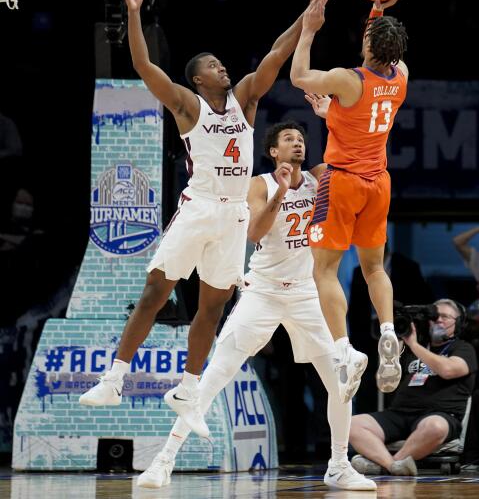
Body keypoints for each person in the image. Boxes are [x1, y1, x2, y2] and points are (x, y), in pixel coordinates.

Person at [79, 0, 331, 438]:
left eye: (221, 63)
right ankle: (114, 377)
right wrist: (134, 14)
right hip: (199, 207)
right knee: (156, 290)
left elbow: (276, 54)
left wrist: (307, 16)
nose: (223, 68)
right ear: (198, 77)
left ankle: (189, 392)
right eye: (213, 65)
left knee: (212, 308)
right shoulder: (187, 106)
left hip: (235, 213)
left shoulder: (246, 100)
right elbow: (142, 65)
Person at [136, 121, 376, 491]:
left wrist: (332, 114)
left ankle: (339, 465)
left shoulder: (318, 177)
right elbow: (254, 233)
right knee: (215, 374)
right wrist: (281, 192)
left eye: (300, 138)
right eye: (288, 139)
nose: (297, 142)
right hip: (262, 291)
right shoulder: (258, 184)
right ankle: (163, 460)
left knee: (341, 381)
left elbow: (350, 160)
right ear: (273, 152)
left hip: (308, 293)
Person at [290, 0, 408, 402]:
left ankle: (343, 350)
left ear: (370, 47)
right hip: (378, 182)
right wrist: (378, 7)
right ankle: (389, 329)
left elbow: (299, 75)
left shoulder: (346, 79)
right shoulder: (401, 78)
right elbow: (358, 116)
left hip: (341, 182)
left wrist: (309, 28)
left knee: (323, 269)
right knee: (375, 268)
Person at [349, 299, 477, 476]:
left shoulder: (463, 348)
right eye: (435, 316)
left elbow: (448, 370)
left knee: (436, 427)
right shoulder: (414, 348)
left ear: (459, 323)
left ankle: (389, 464)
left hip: (439, 414)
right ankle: (394, 466)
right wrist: (396, 340)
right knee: (353, 424)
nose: (439, 320)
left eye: (446, 317)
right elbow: (385, 383)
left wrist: (414, 345)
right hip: (400, 413)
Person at [349, 242, 435, 413]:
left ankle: (396, 419)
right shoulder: (359, 271)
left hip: (400, 332)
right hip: (368, 337)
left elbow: (423, 299)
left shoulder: (408, 266)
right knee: (367, 383)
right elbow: (355, 310)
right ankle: (368, 422)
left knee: (399, 380)